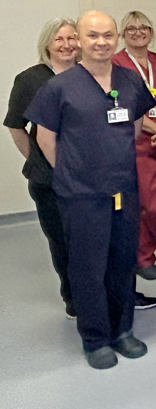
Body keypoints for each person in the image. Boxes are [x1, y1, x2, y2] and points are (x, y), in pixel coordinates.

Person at [26, 10, 156, 369]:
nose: (101, 42)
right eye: (93, 36)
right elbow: (45, 137)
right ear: (80, 41)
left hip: (122, 190)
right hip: (81, 194)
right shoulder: (59, 87)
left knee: (121, 262)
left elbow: (133, 126)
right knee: (87, 267)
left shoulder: (129, 81)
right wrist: (74, 174)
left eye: (107, 35)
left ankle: (122, 331)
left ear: (116, 39)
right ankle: (95, 338)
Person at [5, 18, 78, 318]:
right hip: (50, 180)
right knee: (62, 241)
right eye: (59, 39)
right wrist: (36, 160)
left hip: (87, 177)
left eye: (73, 38)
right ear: (47, 43)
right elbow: (16, 126)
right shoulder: (30, 80)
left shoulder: (89, 76)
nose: (67, 45)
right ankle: (73, 299)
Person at [113, 11, 156, 281]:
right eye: (131, 28)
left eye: (143, 28)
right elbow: (120, 105)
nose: (138, 32)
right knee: (149, 203)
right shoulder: (116, 64)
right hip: (137, 142)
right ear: (122, 34)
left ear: (151, 33)